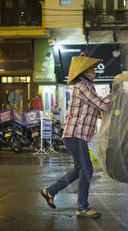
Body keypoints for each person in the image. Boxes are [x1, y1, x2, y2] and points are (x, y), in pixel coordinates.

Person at [40, 55, 112, 218]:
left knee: (78, 170)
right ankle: (82, 207)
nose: (94, 71)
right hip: (75, 134)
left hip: (77, 135)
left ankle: (50, 191)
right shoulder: (82, 87)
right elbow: (102, 105)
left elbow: (97, 111)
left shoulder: (88, 87)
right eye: (91, 68)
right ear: (84, 71)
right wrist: (113, 93)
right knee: (87, 170)